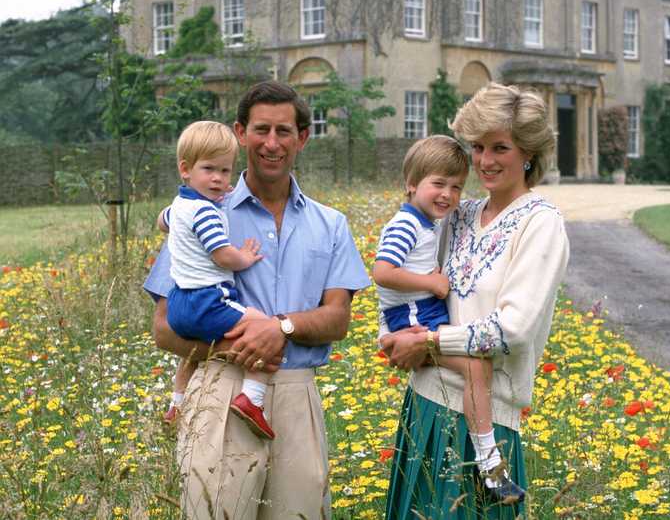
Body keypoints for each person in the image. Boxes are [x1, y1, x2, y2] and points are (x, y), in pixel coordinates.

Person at [144, 81, 370, 520]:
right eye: (261, 129)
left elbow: (338, 318)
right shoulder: (201, 211)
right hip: (220, 388)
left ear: (302, 137)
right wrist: (239, 351)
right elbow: (163, 325)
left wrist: (279, 327)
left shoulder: (331, 224)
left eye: (284, 131)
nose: (272, 143)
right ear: (240, 132)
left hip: (297, 395)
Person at [381, 82, 570, 520]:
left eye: (500, 147)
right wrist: (389, 334)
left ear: (528, 152)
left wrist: (427, 342)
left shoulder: (540, 224)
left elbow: (513, 330)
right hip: (425, 404)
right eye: (478, 146)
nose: (485, 160)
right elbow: (405, 278)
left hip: (487, 423)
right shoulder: (458, 214)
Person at [372, 134, 524, 503]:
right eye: (438, 184)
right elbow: (382, 272)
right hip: (415, 317)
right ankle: (490, 465)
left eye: (456, 186)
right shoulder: (405, 225)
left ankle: (488, 461)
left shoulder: (427, 223)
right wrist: (433, 282)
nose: (448, 195)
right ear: (410, 184)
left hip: (423, 314)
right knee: (476, 368)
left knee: (477, 369)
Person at [158, 120, 278, 440]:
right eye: (209, 169)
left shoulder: (180, 205)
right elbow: (222, 256)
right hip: (209, 298)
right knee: (264, 328)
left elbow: (162, 221)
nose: (218, 179)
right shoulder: (206, 213)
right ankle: (252, 399)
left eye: (225, 172)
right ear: (185, 169)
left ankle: (177, 404)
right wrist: (246, 257)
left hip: (179, 303)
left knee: (191, 355)